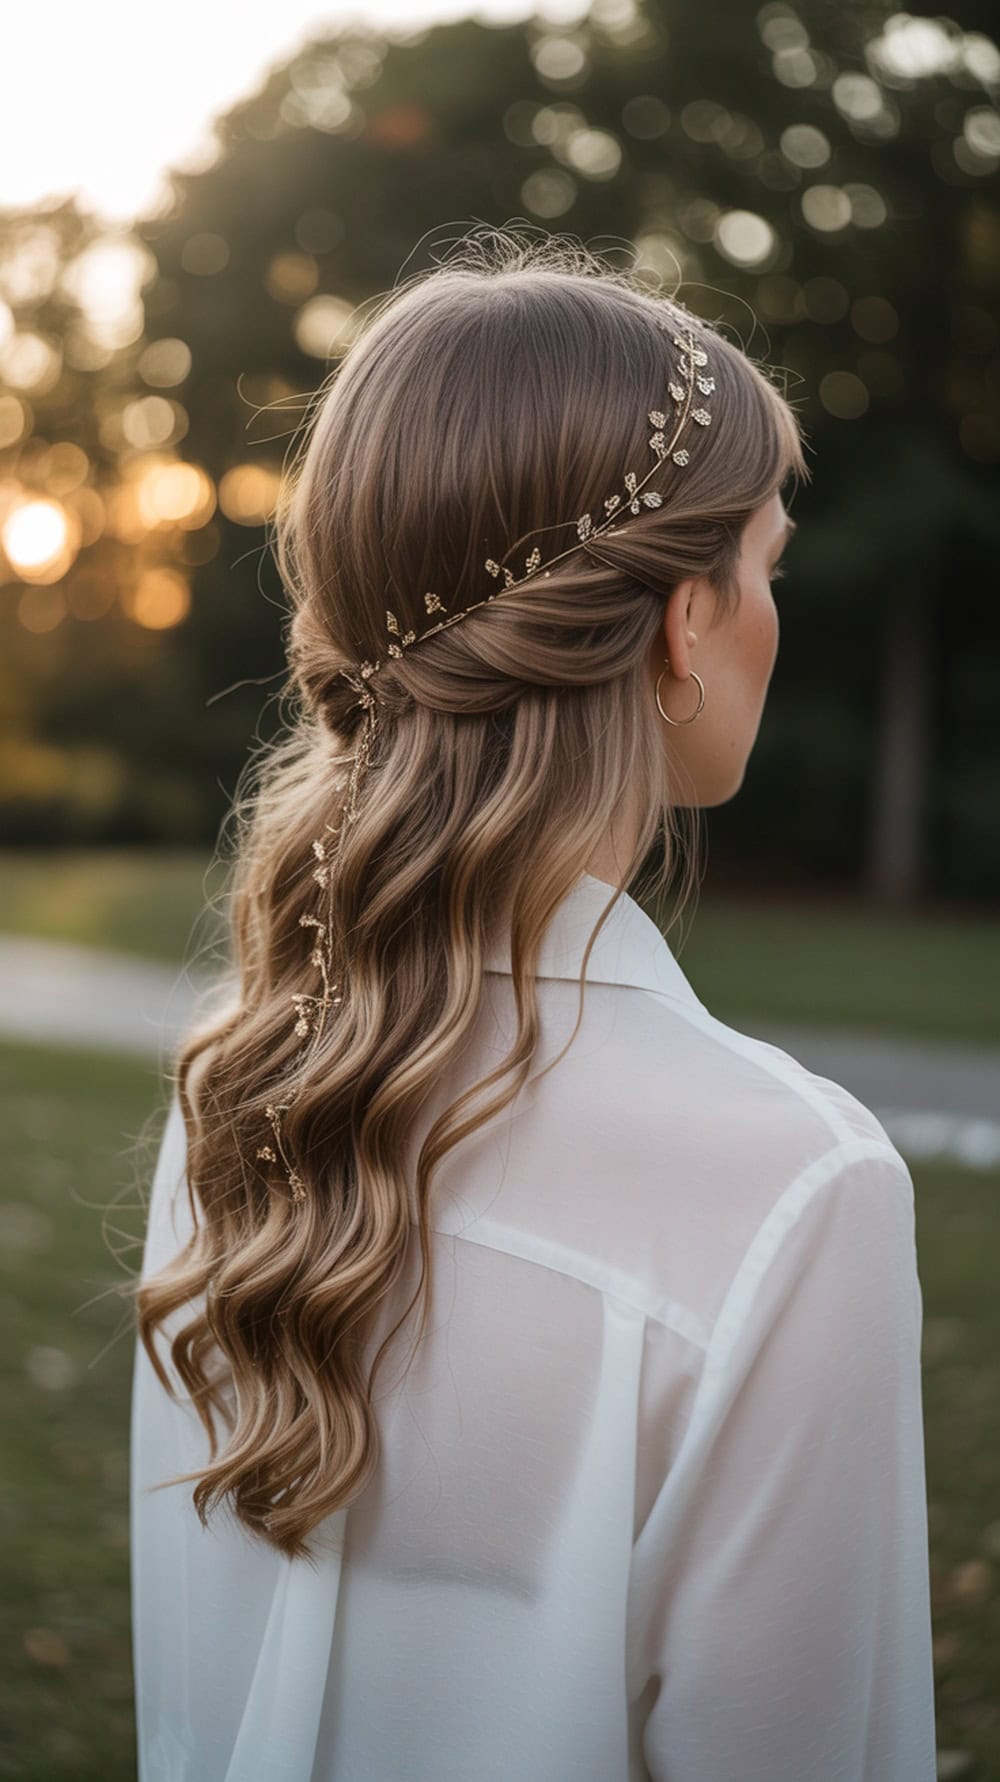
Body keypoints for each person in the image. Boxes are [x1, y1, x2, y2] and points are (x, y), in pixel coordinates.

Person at [128, 228, 937, 1780]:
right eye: (768, 562)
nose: (776, 608)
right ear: (681, 626)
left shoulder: (239, 1082)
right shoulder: (796, 1187)